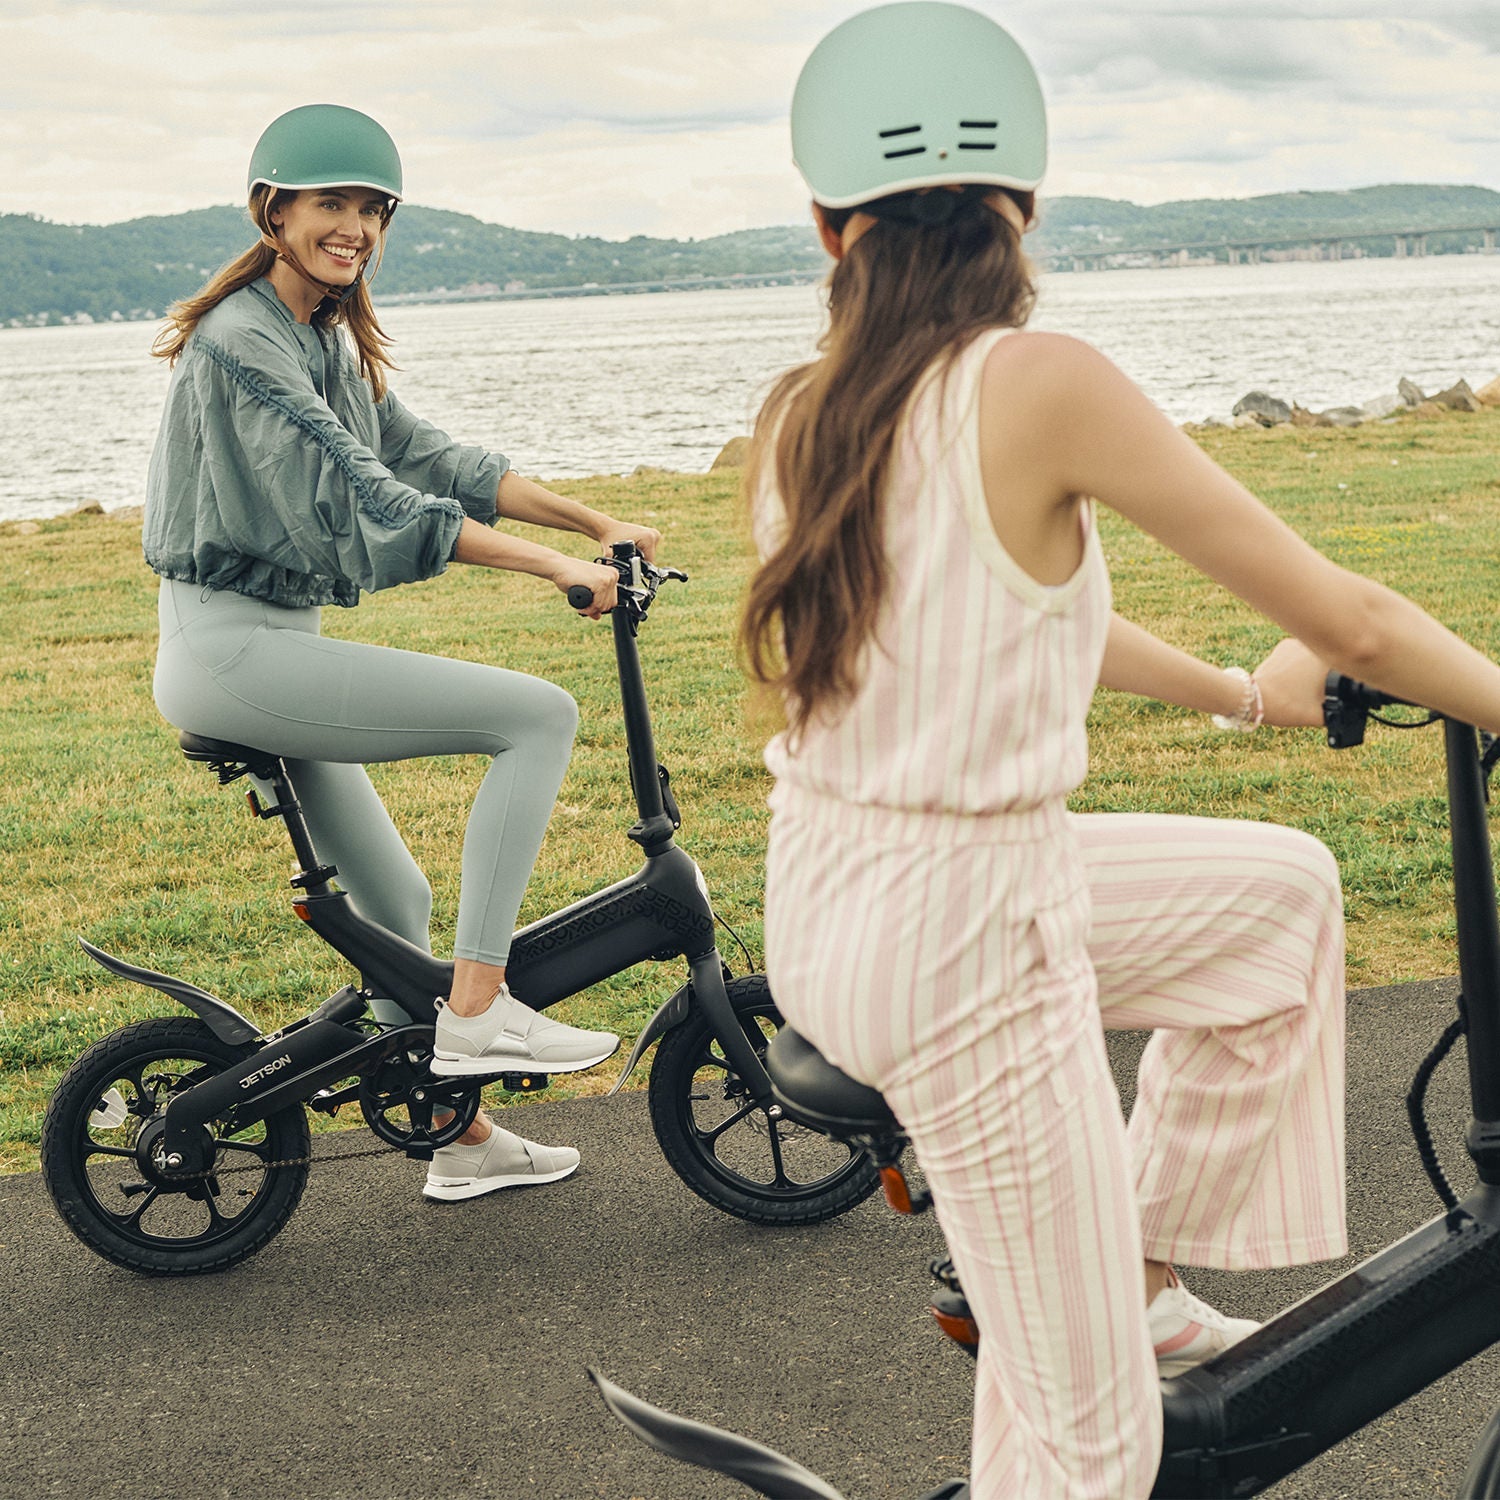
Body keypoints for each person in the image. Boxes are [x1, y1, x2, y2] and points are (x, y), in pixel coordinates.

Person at [743, 6, 1500, 1498]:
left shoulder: (807, 408)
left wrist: (1239, 693)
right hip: (969, 936)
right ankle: (1084, 1333)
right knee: (1096, 1454)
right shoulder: (1039, 379)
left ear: (828, 226)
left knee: (1280, 904)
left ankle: (1128, 1279)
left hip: (839, 898)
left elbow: (1026, 622)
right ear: (1024, 203)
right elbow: (1347, 609)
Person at [145, 104, 661, 1204]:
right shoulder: (242, 339)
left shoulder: (322, 335)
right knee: (537, 715)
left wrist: (592, 524)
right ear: (272, 211)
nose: (356, 227)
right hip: (229, 648)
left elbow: (428, 455)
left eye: (372, 210)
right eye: (332, 205)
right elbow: (376, 495)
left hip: (269, 641)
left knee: (395, 899)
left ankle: (456, 1137)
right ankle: (477, 1010)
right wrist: (546, 568)